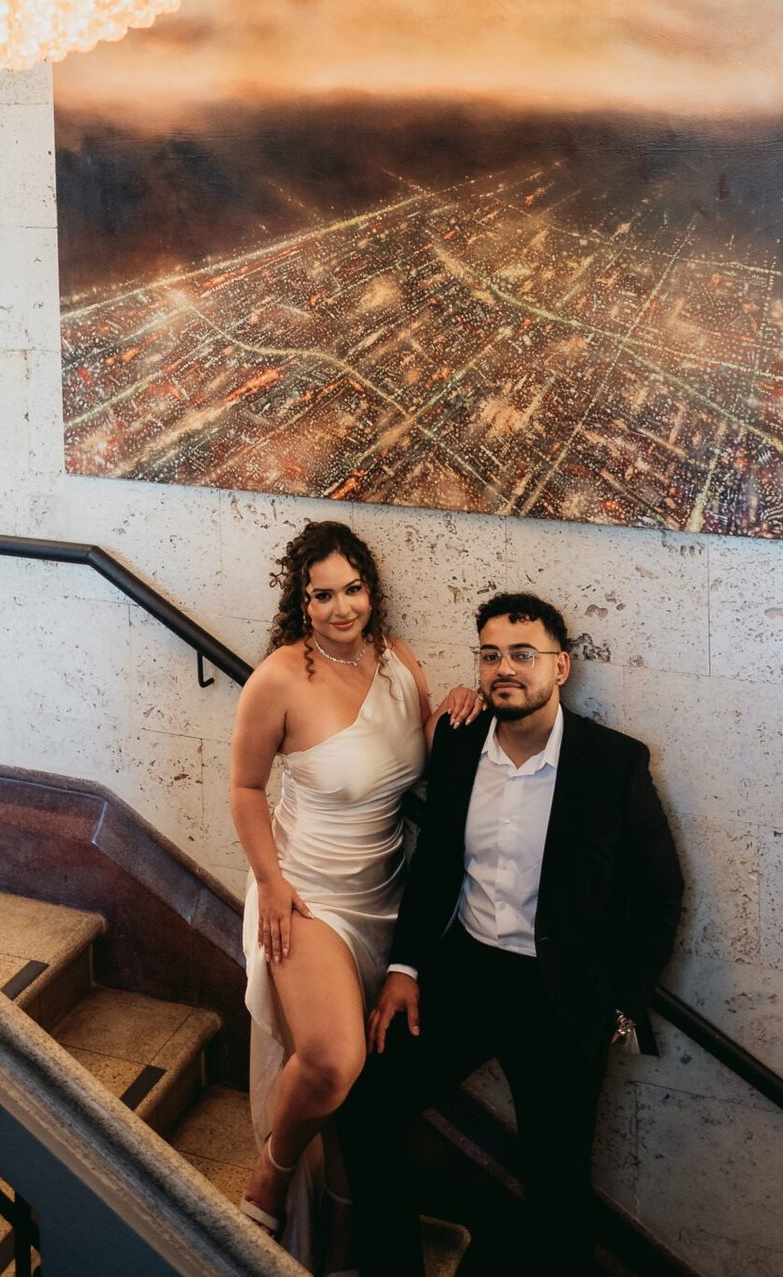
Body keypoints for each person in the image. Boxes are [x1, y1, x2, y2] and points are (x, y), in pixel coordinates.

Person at [338, 589, 685, 1277]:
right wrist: (405, 968)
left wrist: (617, 1003)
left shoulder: (612, 763)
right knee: (368, 1107)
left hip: (558, 993)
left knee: (558, 1187)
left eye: (523, 654)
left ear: (560, 666)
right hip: (465, 970)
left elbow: (661, 893)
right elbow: (436, 864)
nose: (505, 668)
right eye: (491, 654)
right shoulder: (460, 740)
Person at [229, 520, 482, 1273]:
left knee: (363, 1091)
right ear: (301, 601)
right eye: (323, 595)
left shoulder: (397, 661)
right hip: (306, 894)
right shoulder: (279, 678)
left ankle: (341, 1239)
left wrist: (453, 708)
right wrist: (271, 883)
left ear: (370, 590)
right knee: (334, 1058)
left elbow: (415, 757)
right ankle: (272, 1171)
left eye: (353, 589)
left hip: (385, 896)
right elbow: (245, 788)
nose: (342, 608)